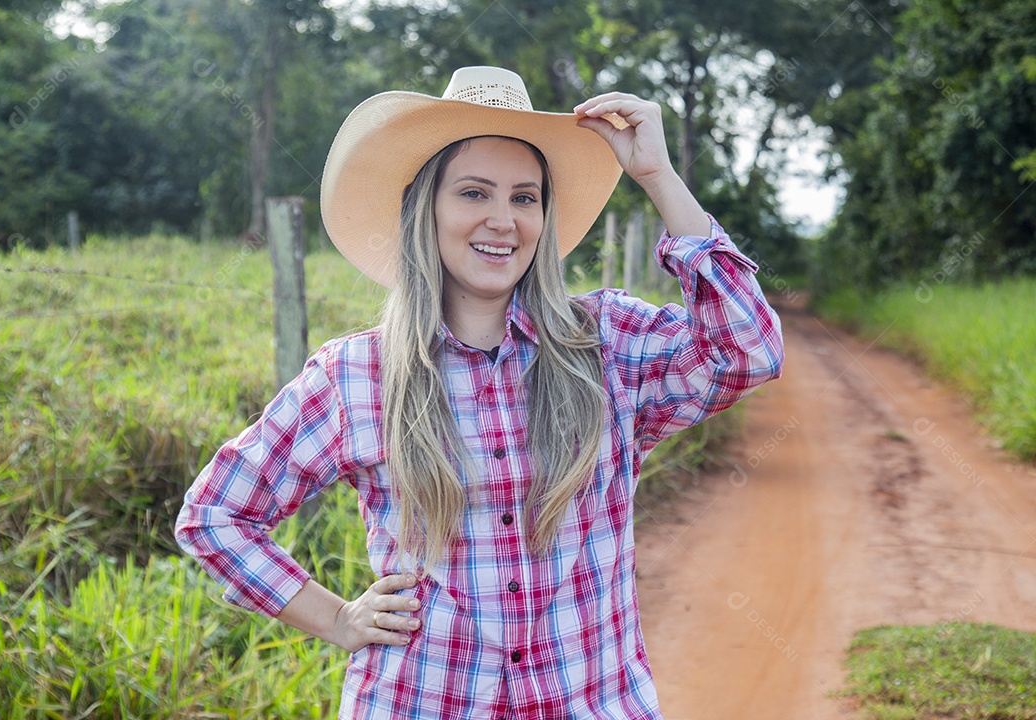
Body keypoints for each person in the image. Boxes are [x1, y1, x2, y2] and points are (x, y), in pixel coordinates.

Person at [175, 66, 784, 718]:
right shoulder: (357, 375)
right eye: (473, 193)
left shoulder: (606, 345)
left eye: (525, 198)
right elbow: (215, 517)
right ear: (424, 207)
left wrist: (659, 178)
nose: (502, 220)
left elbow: (748, 352)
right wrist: (338, 620)